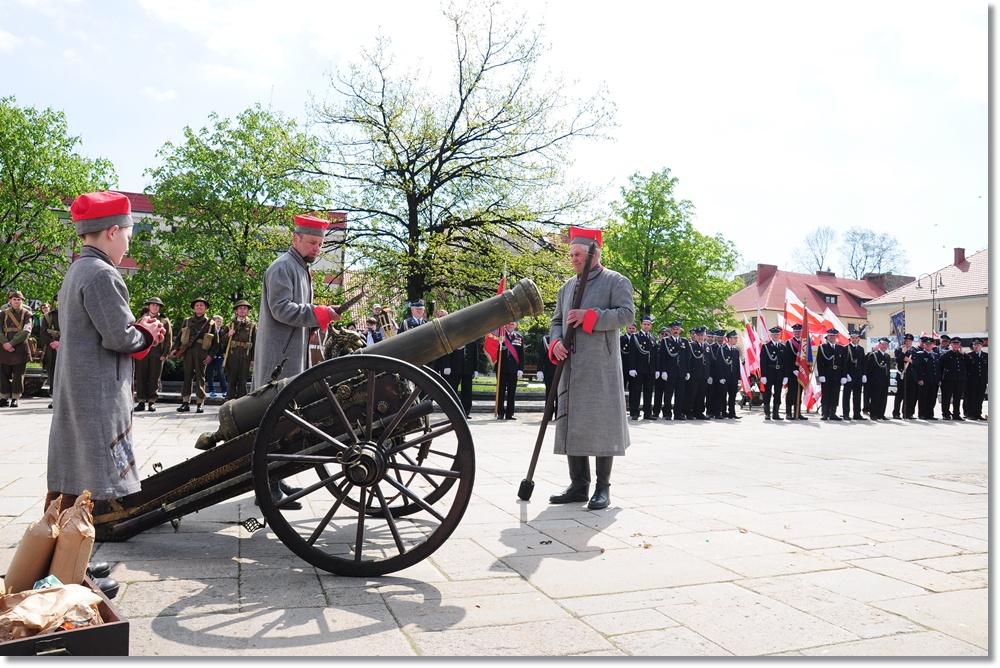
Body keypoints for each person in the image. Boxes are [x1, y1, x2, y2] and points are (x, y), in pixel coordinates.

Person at [46, 191, 165, 509]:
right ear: (113, 231)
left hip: (77, 386)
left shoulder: (77, 270)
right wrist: (148, 333)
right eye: (128, 234)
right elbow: (120, 338)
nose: (128, 243)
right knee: (92, 481)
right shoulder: (103, 274)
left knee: (73, 473)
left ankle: (63, 552)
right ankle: (73, 554)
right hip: (98, 392)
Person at [253, 214, 342, 508]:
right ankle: (267, 488)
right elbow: (281, 310)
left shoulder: (297, 267)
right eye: (313, 242)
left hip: (289, 357)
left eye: (320, 244)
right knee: (274, 420)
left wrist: (318, 317)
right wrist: (316, 313)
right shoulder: (283, 267)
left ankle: (274, 480)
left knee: (283, 420)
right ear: (296, 239)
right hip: (279, 359)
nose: (317, 249)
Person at [547, 226, 634, 511]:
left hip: (600, 365)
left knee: (600, 423)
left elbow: (626, 315)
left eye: (578, 254)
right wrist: (556, 342)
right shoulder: (566, 287)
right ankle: (578, 484)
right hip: (571, 365)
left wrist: (589, 317)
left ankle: (602, 487)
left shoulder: (615, 281)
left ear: (594, 254)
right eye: (571, 254)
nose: (573, 259)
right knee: (573, 421)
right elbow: (556, 321)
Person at [171, 298, 219, 413]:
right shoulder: (187, 321)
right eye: (197, 305)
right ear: (194, 308)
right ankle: (185, 402)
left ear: (205, 308)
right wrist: (175, 349)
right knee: (187, 377)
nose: (199, 307)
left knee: (200, 378)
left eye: (201, 305)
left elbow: (216, 343)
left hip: (201, 353)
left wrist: (210, 356)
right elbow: (179, 337)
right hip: (188, 352)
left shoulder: (211, 323)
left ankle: (199, 403)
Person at [134, 297, 173, 412]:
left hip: (157, 352)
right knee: (141, 376)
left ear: (159, 307)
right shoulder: (141, 319)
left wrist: (165, 354)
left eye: (157, 305)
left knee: (154, 377)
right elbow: (135, 335)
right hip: (143, 351)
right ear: (149, 306)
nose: (155, 307)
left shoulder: (164, 321)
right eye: (152, 305)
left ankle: (152, 401)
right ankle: (141, 401)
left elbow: (168, 339)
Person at [0, 290, 33, 408]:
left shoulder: (27, 314)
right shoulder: (3, 313)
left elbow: (26, 331)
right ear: (10, 300)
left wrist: (12, 343)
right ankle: (3, 397)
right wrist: (5, 343)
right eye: (14, 299)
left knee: (18, 374)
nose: (17, 301)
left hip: (20, 347)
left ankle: (15, 397)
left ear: (22, 301)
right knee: (2, 373)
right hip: (4, 348)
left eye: (19, 299)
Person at [223, 300, 256, 401]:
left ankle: (241, 405)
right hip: (233, 355)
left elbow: (256, 342)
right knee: (232, 380)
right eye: (240, 308)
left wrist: (253, 359)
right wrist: (228, 335)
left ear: (248, 311)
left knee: (243, 381)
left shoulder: (252, 325)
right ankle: (228, 403)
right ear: (236, 311)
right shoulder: (230, 325)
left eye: (245, 308)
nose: (242, 310)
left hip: (246, 356)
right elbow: (221, 342)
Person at [626, 315, 656, 420]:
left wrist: (655, 369)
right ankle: (634, 412)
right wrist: (632, 368)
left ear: (651, 326)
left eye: (648, 324)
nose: (646, 326)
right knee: (636, 391)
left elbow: (654, 355)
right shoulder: (635, 336)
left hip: (650, 369)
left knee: (648, 392)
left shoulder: (652, 337)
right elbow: (632, 353)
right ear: (641, 325)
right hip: (638, 369)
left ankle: (648, 413)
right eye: (645, 324)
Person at [496, 321, 524, 420]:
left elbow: (521, 354)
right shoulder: (500, 335)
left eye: (512, 324)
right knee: (501, 392)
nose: (510, 325)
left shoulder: (519, 337)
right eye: (508, 323)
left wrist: (520, 368)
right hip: (502, 368)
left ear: (516, 325)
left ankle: (509, 414)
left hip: (514, 369)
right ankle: (500, 413)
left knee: (512, 392)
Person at [36, 297, 60, 409]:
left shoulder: (75, 314)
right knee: (53, 373)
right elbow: (43, 333)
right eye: (58, 300)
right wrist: (53, 343)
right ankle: (54, 399)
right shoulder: (48, 316)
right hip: (53, 349)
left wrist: (62, 342)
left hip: (70, 349)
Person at [816, 329, 844, 421]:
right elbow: (819, 362)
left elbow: (843, 364)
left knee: (835, 394)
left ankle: (833, 413)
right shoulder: (822, 347)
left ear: (836, 337)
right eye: (830, 336)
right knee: (826, 394)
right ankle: (825, 413)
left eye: (834, 336)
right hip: (826, 374)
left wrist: (843, 376)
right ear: (827, 337)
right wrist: (821, 375)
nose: (832, 337)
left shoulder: (841, 348)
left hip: (837, 375)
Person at [759, 326, 785, 421]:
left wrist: (785, 375)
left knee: (778, 393)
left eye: (777, 334)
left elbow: (785, 363)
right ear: (771, 335)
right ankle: (767, 413)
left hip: (779, 373)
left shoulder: (783, 347)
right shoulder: (765, 347)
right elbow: (763, 362)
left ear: (779, 335)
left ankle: (776, 413)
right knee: (767, 393)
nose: (775, 336)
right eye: (774, 334)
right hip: (769, 373)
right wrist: (763, 375)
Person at [938, 337, 967, 420]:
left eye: (957, 344)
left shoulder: (962, 355)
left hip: (959, 380)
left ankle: (956, 414)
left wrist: (964, 354)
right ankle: (945, 413)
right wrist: (939, 379)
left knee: (957, 398)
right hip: (948, 380)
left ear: (959, 345)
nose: (956, 345)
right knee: (946, 398)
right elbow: (940, 367)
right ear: (951, 345)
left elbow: (970, 363)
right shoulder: (946, 355)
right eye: (954, 344)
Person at [863, 337, 892, 420]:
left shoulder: (887, 356)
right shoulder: (873, 355)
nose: (884, 346)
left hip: (884, 381)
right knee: (875, 398)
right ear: (879, 345)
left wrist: (888, 381)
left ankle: (881, 414)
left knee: (883, 398)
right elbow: (867, 368)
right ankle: (874, 414)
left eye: (886, 345)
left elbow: (887, 370)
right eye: (882, 344)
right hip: (874, 381)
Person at [686, 326, 710, 419]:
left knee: (701, 394)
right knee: (692, 394)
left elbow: (709, 361)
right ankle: (689, 412)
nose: (700, 337)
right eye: (698, 335)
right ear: (695, 336)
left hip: (704, 374)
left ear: (705, 336)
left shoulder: (707, 346)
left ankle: (699, 412)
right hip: (694, 374)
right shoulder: (691, 345)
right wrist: (687, 372)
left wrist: (708, 374)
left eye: (702, 335)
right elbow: (688, 360)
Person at [841, 332, 866, 420]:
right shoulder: (846, 348)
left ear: (858, 338)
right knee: (846, 396)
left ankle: (857, 414)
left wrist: (864, 374)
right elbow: (843, 363)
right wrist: (845, 374)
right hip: (849, 376)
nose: (854, 339)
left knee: (857, 396)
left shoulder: (861, 349)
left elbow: (863, 363)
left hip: (858, 376)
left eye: (856, 337)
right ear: (850, 338)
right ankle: (846, 414)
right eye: (853, 337)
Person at [892, 333, 917, 419]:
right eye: (907, 340)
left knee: (910, 396)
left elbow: (917, 363)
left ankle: (907, 413)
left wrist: (909, 360)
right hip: (902, 375)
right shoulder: (899, 349)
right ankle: (896, 413)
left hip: (912, 377)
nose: (908, 342)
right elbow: (897, 360)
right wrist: (903, 353)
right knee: (899, 396)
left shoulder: (914, 350)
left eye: (910, 341)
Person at [204, 314, 228, 399]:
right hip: (210, 356)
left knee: (220, 373)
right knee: (209, 373)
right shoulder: (210, 330)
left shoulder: (223, 331)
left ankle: (224, 390)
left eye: (220, 321)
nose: (218, 323)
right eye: (217, 321)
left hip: (219, 355)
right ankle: (212, 391)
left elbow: (224, 344)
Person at [963, 338, 988, 420]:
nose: (976, 346)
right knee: (971, 397)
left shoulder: (986, 356)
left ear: (981, 345)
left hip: (982, 381)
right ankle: (970, 414)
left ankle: (978, 414)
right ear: (972, 346)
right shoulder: (968, 355)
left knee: (980, 398)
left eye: (978, 345)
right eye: (974, 345)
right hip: (971, 381)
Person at [721, 331, 741, 419]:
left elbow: (737, 365)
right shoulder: (722, 349)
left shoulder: (736, 350)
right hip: (724, 377)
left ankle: (732, 412)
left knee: (733, 395)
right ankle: (723, 412)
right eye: (734, 338)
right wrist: (721, 377)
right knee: (723, 395)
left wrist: (738, 378)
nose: (736, 339)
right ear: (728, 339)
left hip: (733, 377)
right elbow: (719, 364)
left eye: (736, 338)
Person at [620, 323, 634, 391]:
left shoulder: (637, 339)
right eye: (630, 328)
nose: (631, 330)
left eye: (633, 328)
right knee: (623, 384)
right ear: (626, 329)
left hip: (634, 366)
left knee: (633, 386)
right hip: (624, 365)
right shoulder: (622, 339)